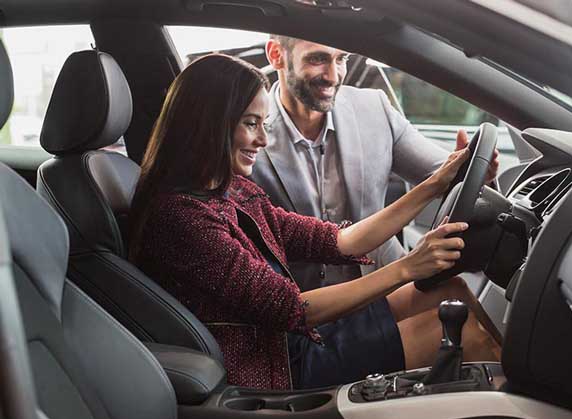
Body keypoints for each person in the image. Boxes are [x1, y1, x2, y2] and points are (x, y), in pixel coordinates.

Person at [129, 54, 501, 391]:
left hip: (299, 340)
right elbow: (293, 308)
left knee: (449, 289)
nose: (261, 139)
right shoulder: (182, 217)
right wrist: (406, 267)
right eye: (250, 124)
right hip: (279, 367)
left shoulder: (234, 191)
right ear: (210, 124)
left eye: (264, 124)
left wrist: (434, 184)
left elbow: (339, 241)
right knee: (469, 335)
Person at [251, 36, 505, 388]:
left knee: (457, 290)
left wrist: (473, 171)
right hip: (317, 313)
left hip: (386, 284)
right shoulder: (251, 135)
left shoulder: (374, 108)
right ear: (277, 55)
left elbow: (440, 172)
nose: (334, 74)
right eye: (318, 60)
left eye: (341, 59)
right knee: (468, 337)